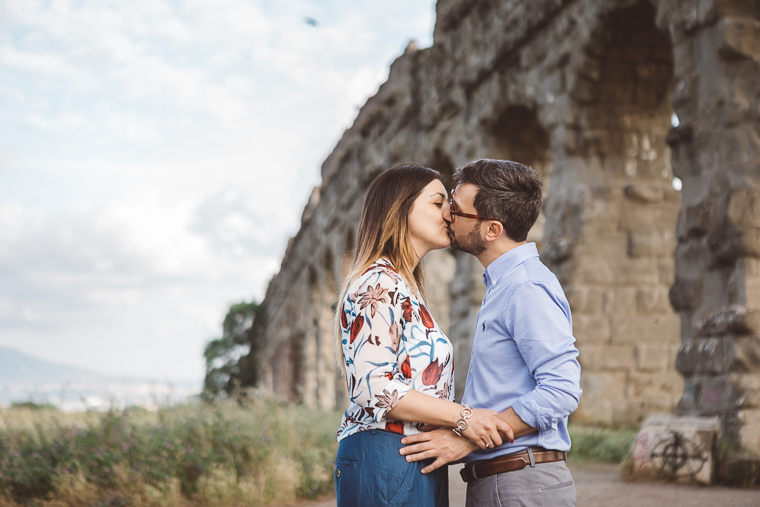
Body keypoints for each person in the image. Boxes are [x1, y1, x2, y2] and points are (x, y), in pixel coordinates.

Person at [400, 159, 582, 507]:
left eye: (455, 209)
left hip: (519, 483)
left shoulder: (525, 287)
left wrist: (469, 438)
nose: (447, 215)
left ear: (492, 229)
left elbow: (560, 391)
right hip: (507, 481)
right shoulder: (505, 285)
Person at [334, 163, 514, 507]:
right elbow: (372, 387)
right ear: (400, 211)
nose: (450, 212)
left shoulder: (405, 288)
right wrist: (465, 417)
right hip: (385, 454)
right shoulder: (379, 282)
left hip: (412, 456)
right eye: (437, 202)